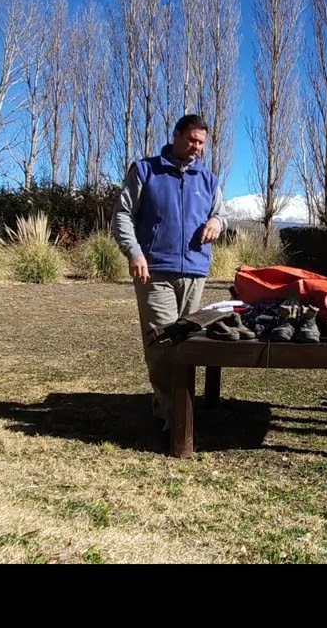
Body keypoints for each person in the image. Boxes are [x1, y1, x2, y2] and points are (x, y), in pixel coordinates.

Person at [113, 114, 228, 431]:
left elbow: (220, 213)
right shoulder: (146, 170)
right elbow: (122, 215)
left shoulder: (208, 179)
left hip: (194, 272)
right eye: (192, 140)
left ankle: (171, 405)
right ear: (176, 136)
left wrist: (217, 223)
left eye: (202, 143)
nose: (197, 147)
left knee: (188, 342)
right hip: (154, 271)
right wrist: (134, 253)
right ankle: (175, 418)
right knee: (163, 343)